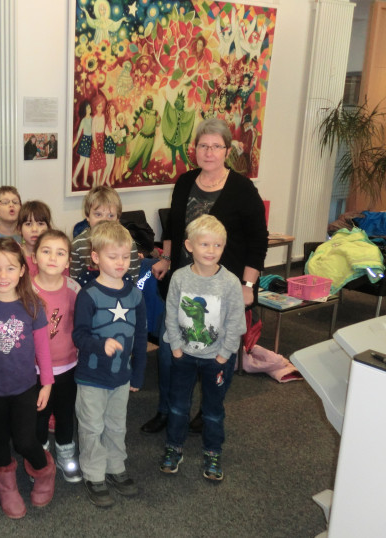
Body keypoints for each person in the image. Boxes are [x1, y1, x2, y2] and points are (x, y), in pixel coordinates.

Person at [142, 118, 268, 435]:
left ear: (226, 150)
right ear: (193, 149)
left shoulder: (242, 189)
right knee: (172, 353)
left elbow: (258, 241)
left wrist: (248, 285)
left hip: (222, 289)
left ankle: (207, 410)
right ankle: (168, 410)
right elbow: (172, 227)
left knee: (215, 357)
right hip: (183, 284)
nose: (208, 152)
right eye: (202, 145)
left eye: (215, 146)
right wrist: (167, 258)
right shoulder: (185, 182)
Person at [0, 238, 56, 519]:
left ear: (22, 271)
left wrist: (48, 383)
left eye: (9, 268)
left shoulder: (33, 305)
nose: (2, 276)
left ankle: (44, 471)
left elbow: (43, 349)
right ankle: (6, 485)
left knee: (26, 441)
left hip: (25, 388)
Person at [159, 215, 246, 481]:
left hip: (216, 359)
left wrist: (224, 354)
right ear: (189, 246)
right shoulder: (179, 278)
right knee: (177, 405)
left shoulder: (230, 282)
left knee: (213, 409)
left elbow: (235, 322)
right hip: (183, 355)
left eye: (217, 245)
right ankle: (174, 447)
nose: (211, 251)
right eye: (205, 244)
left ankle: (213, 451)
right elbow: (171, 313)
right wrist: (175, 346)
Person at [73, 221, 147, 508]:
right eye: (112, 256)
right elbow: (78, 334)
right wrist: (99, 345)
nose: (120, 263)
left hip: (121, 377)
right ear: (96, 257)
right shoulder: (88, 295)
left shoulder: (135, 295)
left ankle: (116, 467)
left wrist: (138, 374)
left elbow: (140, 336)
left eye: (125, 256)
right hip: (92, 376)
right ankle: (93, 473)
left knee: (116, 425)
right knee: (91, 426)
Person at [31, 229, 82, 483]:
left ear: (68, 261)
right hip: (36, 371)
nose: (53, 257)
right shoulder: (26, 290)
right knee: (38, 416)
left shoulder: (74, 289)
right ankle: (39, 460)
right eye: (46, 251)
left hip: (67, 367)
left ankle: (65, 453)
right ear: (34, 256)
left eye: (60, 253)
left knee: (64, 414)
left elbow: (80, 325)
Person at [69, 185, 141, 287]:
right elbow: (74, 282)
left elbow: (132, 278)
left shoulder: (128, 243)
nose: (104, 220)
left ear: (117, 219)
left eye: (111, 215)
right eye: (98, 214)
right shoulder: (78, 244)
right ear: (87, 216)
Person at [17, 200, 52, 278]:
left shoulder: (54, 255)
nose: (34, 229)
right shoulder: (14, 254)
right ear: (19, 229)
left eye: (40, 224)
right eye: (28, 224)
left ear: (49, 228)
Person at [72, 101, 93, 189]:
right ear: (84, 110)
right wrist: (73, 144)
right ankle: (74, 178)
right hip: (84, 141)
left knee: (87, 162)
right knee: (82, 161)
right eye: (87, 108)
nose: (89, 109)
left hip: (90, 141)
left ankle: (84, 181)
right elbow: (79, 132)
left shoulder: (93, 119)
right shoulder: (84, 120)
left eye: (90, 107)